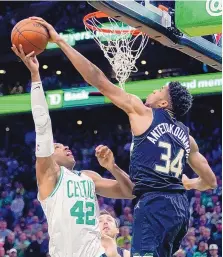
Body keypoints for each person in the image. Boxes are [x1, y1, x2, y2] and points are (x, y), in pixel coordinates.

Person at [32, 17, 217, 257]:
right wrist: (190, 183)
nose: (151, 91)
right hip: (180, 211)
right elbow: (210, 181)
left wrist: (61, 41)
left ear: (163, 103)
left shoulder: (142, 112)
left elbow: (97, 78)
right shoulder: (187, 137)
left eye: (157, 90)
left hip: (153, 206)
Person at [11, 45, 134, 257]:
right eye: (57, 147)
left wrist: (112, 167)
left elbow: (130, 192)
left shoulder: (88, 177)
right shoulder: (49, 175)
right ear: (48, 154)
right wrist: (35, 75)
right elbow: (42, 125)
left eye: (64, 145)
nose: (66, 147)